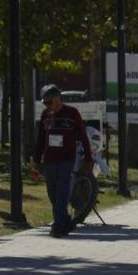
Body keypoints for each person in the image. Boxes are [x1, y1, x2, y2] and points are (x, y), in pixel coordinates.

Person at [34, 84, 94, 237]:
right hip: (49, 160)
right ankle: (65, 220)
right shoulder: (45, 115)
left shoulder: (72, 113)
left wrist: (89, 159)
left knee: (61, 192)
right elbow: (41, 139)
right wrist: (36, 159)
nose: (47, 106)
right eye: (45, 104)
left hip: (66, 160)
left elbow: (83, 137)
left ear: (57, 100)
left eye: (49, 103)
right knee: (52, 194)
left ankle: (58, 226)